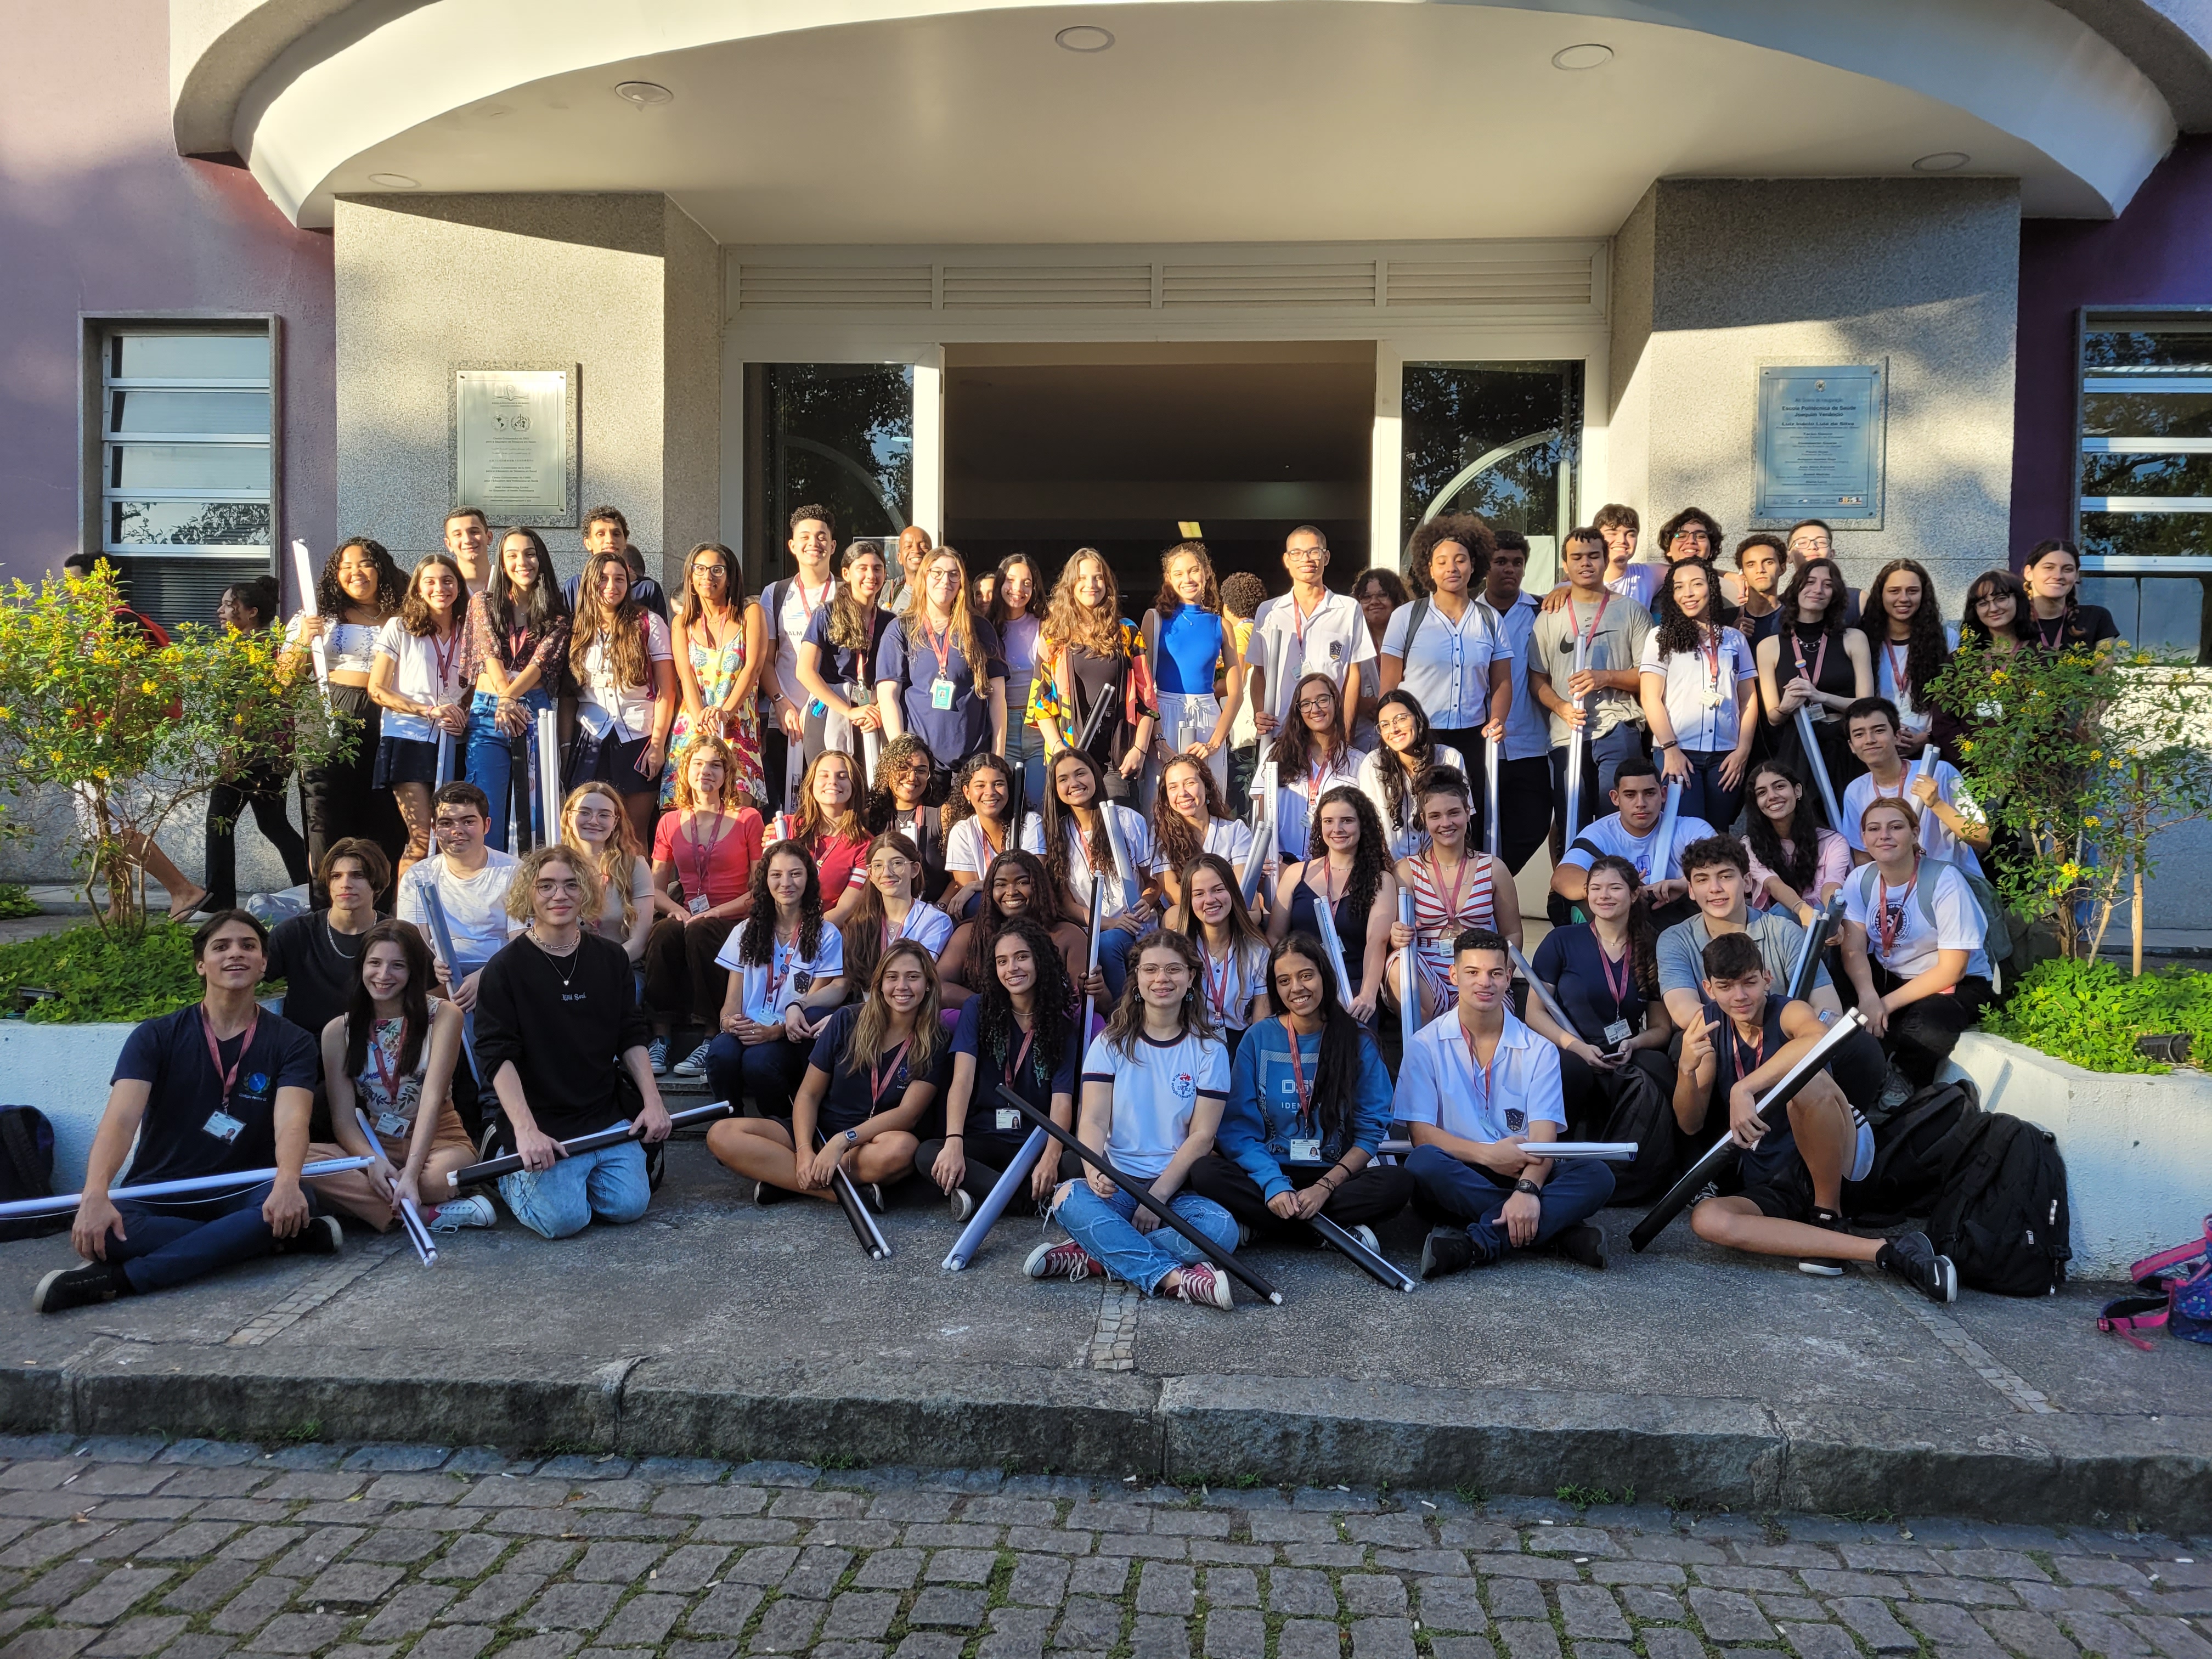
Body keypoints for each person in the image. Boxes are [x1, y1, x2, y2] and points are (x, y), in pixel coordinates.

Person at [33, 911, 331, 1313]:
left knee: (296, 1201)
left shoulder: (293, 1042)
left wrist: (287, 1182)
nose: (235, 955)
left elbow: (292, 1121)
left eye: (248, 946)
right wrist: (95, 1193)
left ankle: (120, 1281)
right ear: (201, 964)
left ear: (264, 964)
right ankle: (272, 1240)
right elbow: (120, 1121)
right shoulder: (155, 1036)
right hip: (160, 1194)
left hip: (245, 1191)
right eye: (220, 947)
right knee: (111, 1232)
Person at [1678, 931, 1954, 1297]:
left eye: (1749, 983)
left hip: (1837, 1160)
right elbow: (1690, 1123)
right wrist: (1686, 1069)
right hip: (1774, 1178)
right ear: (1709, 988)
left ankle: (1829, 1214)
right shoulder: (1708, 1025)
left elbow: (1816, 1040)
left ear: (1767, 979)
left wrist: (1742, 1088)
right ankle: (1887, 1250)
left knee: (1805, 1080)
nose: (1740, 996)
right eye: (1727, 987)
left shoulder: (1788, 1009)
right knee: (1708, 1218)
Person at [1025, 931, 1240, 1310]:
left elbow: (1202, 1137)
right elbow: (1091, 1119)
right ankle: (1176, 1279)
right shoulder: (1109, 1043)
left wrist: (1156, 1198)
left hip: (1174, 1192)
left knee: (1221, 1230)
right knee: (1068, 1197)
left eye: (1174, 969)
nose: (1162, 979)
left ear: (1191, 977)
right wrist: (1093, 1169)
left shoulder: (1210, 1049)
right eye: (1151, 969)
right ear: (1137, 979)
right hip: (1117, 1185)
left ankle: (1097, 1252)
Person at [472, 845, 673, 1239]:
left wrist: (653, 1102)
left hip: (603, 1113)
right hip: (540, 1118)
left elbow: (630, 1034)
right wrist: (526, 1130)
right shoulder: (504, 968)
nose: (559, 896)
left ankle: (580, 1173)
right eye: (546, 886)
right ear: (528, 894)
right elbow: (497, 1056)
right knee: (564, 1220)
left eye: (570, 885)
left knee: (628, 1206)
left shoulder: (611, 959)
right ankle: (505, 1160)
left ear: (585, 892)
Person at [1395, 927, 1612, 1278]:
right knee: (1422, 1163)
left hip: (1524, 1172)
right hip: (1461, 1170)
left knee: (1598, 1174)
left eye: (1496, 973)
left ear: (1509, 978)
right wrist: (1487, 1155)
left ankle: (1477, 1243)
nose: (1486, 982)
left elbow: (1544, 1140)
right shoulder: (1425, 1045)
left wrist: (1527, 1190)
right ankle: (1558, 1234)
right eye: (1473, 972)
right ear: (1453, 976)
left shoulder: (1539, 1049)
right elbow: (1422, 1136)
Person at [1187, 932, 1413, 1249]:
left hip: (1335, 1176)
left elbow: (1370, 1133)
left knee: (1397, 1183)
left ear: (1325, 976)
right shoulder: (1258, 1038)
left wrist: (1324, 1187)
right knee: (1205, 1172)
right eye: (1284, 980)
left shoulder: (1357, 1040)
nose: (1296, 988)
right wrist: (1274, 1185)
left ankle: (1266, 1227)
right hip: (1270, 1170)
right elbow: (1237, 1129)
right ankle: (1327, 1232)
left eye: (1306, 976)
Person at [709, 940, 945, 1209]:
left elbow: (908, 1115)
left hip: (867, 1143)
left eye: (913, 977)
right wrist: (805, 1151)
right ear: (879, 984)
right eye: (892, 977)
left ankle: (786, 1180)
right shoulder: (846, 1020)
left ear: (928, 984)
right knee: (721, 1133)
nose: (901, 987)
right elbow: (808, 1094)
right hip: (819, 1131)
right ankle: (840, 1194)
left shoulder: (935, 1040)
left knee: (903, 1148)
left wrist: (844, 1141)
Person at [309, 920, 489, 1233]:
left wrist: (410, 1174)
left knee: (435, 1180)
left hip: (438, 1138)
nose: (383, 975)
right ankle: (423, 1214)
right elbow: (344, 1121)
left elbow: (433, 1099)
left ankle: (393, 1201)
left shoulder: (444, 1015)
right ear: (361, 966)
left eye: (397, 966)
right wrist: (373, 1163)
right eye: (375, 963)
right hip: (376, 1140)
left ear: (413, 972)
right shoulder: (338, 1031)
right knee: (300, 1161)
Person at [919, 912, 1084, 1218]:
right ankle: (1028, 1202)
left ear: (1041, 961)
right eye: (1002, 961)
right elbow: (962, 1082)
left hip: (1033, 1143)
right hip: (987, 1137)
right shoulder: (978, 1009)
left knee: (1074, 1163)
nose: (1012, 968)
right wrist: (954, 1141)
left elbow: (1062, 1101)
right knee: (929, 1153)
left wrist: (1050, 1157)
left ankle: (985, 1198)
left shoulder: (1062, 1026)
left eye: (1022, 957)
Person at [1841, 798, 1996, 1088]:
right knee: (1836, 988)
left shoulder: (1945, 880)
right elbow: (1853, 948)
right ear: (1864, 838)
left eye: (1895, 827)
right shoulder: (1860, 879)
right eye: (1873, 829)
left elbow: (1952, 971)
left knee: (1929, 1024)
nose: (1884, 836)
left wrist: (1884, 1004)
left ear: (1915, 834)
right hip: (1892, 976)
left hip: (1953, 984)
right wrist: (1868, 997)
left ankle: (1902, 1081)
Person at [1522, 855, 1675, 1133]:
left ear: (1634, 893)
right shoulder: (1562, 940)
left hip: (1624, 1049)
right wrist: (1577, 1047)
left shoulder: (1653, 944)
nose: (1604, 895)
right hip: (1569, 1046)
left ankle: (1648, 1163)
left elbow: (1661, 1028)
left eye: (1615, 888)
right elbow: (1534, 1013)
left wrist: (1634, 1045)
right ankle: (1552, 1154)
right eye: (1595, 888)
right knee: (1571, 1071)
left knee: (1658, 1069)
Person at [286, 537, 407, 887]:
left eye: (365, 563)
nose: (356, 573)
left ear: (381, 568)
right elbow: (283, 677)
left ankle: (379, 912)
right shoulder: (317, 614)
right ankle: (328, 910)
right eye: (346, 566)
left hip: (388, 716)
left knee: (386, 817)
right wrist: (301, 641)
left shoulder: (404, 613)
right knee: (327, 818)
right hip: (330, 711)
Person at [394, 782, 522, 1111]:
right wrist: (433, 964)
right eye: (447, 823)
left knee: (467, 1002)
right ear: (435, 828)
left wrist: (485, 977)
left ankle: (491, 1102)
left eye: (468, 821)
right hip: (441, 972)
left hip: (499, 969)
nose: (457, 831)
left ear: (486, 825)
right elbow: (413, 939)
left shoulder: (513, 872)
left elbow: (521, 943)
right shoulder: (420, 875)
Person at [646, 737, 766, 1078]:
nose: (706, 772)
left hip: (735, 918)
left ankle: (710, 1035)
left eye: (715, 765)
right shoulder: (670, 822)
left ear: (727, 774)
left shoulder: (748, 818)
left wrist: (711, 913)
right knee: (664, 931)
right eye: (698, 764)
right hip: (690, 915)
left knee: (700, 930)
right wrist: (679, 910)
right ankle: (660, 1038)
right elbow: (655, 889)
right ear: (686, 772)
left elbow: (758, 892)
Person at [1380, 516, 1512, 823]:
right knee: (1420, 819)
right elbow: (1389, 686)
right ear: (1429, 568)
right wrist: (1393, 731)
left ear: (1473, 565)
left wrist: (1498, 721)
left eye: (1460, 560)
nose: (1451, 568)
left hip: (1472, 738)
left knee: (1465, 821)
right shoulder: (1406, 617)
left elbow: (1502, 681)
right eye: (1442, 561)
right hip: (1418, 737)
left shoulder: (1491, 619)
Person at [704, 842, 849, 1118]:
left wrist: (776, 1031)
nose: (786, 883)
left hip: (789, 1034)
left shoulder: (826, 933)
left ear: (808, 878)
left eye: (795, 874)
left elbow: (812, 1002)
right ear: (765, 880)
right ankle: (731, 1128)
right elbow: (731, 1003)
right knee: (721, 1053)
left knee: (759, 1062)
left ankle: (781, 1127)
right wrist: (729, 1023)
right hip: (749, 1027)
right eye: (777, 875)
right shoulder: (745, 931)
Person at [1530, 526, 1652, 847]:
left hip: (1618, 728)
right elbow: (1537, 679)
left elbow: (1648, 677)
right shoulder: (1549, 616)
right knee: (1573, 825)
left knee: (1618, 821)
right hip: (1566, 734)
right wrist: (1561, 708)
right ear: (1565, 565)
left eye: (1594, 556)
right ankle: (1575, 894)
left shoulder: (1631, 611)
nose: (1586, 563)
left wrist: (1606, 677)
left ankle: (1622, 890)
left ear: (1605, 559)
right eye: (1577, 557)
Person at [1654, 834, 1846, 1029]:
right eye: (1702, 880)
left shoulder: (1784, 932)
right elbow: (1685, 1012)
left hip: (1790, 1039)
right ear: (1691, 890)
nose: (1715, 888)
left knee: (1862, 1047)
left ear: (1747, 882)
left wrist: (1795, 1035)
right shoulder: (1674, 940)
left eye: (1726, 876)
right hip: (1717, 1042)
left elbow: (1828, 1006)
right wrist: (1749, 1036)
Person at [204, 576, 312, 912]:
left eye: (228, 605)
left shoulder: (257, 646)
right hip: (273, 754)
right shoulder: (267, 643)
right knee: (273, 823)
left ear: (251, 612)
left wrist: (232, 751)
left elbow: (247, 705)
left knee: (219, 821)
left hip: (252, 753)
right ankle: (311, 889)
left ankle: (217, 902)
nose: (220, 611)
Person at [461, 527, 570, 852]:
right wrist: (504, 698)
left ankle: (536, 888)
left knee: (537, 809)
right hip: (487, 709)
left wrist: (509, 697)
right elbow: (490, 652)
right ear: (502, 562)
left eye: (530, 553)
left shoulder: (558, 614)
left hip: (534, 708)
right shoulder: (483, 603)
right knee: (485, 804)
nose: (522, 562)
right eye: (512, 555)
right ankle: (487, 888)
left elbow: (540, 663)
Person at [1386, 768, 1522, 1021]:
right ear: (1425, 820)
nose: (1446, 823)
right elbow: (1392, 937)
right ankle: (1427, 1053)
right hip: (1428, 976)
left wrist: (1500, 973)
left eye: (1454, 813)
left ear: (1468, 813)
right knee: (1398, 965)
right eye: (1435, 816)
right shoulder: (1406, 870)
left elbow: (1513, 933)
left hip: (1478, 970)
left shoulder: (1494, 868)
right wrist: (1396, 935)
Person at [367, 553, 471, 878]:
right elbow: (377, 689)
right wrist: (427, 710)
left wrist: (463, 712)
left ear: (458, 586)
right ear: (418, 589)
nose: (440, 588)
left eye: (448, 580)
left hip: (453, 738)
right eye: (431, 581)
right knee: (424, 836)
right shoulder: (399, 627)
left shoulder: (469, 629)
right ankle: (405, 923)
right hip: (409, 736)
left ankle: (443, 917)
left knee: (451, 837)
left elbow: (476, 682)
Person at [566, 549, 676, 849]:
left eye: (620, 579)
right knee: (586, 833)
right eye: (603, 579)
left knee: (633, 835)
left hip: (638, 735)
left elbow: (668, 689)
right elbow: (568, 695)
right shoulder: (576, 627)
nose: (611, 587)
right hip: (592, 736)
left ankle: (636, 896)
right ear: (589, 582)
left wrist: (657, 745)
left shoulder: (648, 622)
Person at [1640, 558, 1757, 830]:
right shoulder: (1660, 637)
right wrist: (1670, 749)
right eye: (1679, 587)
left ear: (1711, 588)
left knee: (1718, 832)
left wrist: (1743, 751)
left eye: (1696, 584)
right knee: (1684, 832)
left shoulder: (1734, 638)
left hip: (1726, 756)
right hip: (1679, 753)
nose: (1688, 593)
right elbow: (1650, 698)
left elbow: (1748, 699)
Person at [1267, 785, 1396, 1026]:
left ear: (1362, 825)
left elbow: (1376, 942)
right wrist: (1292, 980)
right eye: (1329, 821)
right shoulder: (1296, 874)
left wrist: (1368, 995)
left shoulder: (1381, 880)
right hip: (1302, 984)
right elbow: (1275, 936)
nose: (1337, 829)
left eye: (1347, 821)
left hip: (1352, 986)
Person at [1031, 547, 1154, 795]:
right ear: (1071, 585)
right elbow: (1041, 702)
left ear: (1107, 584)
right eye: (1083, 578)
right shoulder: (1054, 636)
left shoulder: (1127, 632)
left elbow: (1148, 699)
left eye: (1098, 577)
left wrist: (1139, 750)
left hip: (1117, 756)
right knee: (1071, 832)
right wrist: (1058, 751)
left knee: (1119, 828)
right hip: (1068, 753)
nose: (1092, 584)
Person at [878, 546, 1008, 777]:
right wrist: (903, 756)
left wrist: (997, 757)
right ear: (924, 578)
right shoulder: (900, 629)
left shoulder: (980, 629)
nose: (945, 580)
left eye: (953, 574)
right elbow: (888, 696)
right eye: (936, 573)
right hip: (920, 766)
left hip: (974, 764)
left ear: (961, 583)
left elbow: (997, 697)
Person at [1043, 747, 1156, 1002]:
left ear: (1095, 775)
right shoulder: (1056, 833)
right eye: (1063, 779)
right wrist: (1108, 923)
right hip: (1091, 930)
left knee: (1109, 943)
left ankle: (1123, 1017)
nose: (1074, 783)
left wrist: (1146, 903)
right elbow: (1065, 903)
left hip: (1135, 927)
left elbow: (1153, 882)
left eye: (1080, 773)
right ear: (1055, 788)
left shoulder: (1128, 820)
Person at [663, 540, 768, 812]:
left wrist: (724, 712)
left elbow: (753, 667)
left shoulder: (750, 613)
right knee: (688, 811)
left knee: (736, 808)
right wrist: (700, 717)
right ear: (690, 576)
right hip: (695, 722)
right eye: (700, 569)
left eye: (717, 570)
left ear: (731, 577)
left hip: (736, 720)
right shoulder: (681, 622)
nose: (707, 577)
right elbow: (685, 675)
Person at [1756, 556, 1871, 802]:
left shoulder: (1853, 638)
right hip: (1797, 745)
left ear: (1835, 594)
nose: (1817, 590)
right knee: (1802, 821)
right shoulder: (1769, 646)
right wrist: (1785, 707)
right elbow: (1773, 717)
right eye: (1809, 582)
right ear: (1796, 588)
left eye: (1827, 585)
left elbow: (1867, 705)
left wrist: (1820, 697)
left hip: (1844, 744)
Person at [1245, 525, 1373, 744]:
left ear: (1326, 557)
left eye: (1314, 552)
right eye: (1297, 553)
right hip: (1281, 730)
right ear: (1287, 560)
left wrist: (1346, 732)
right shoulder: (1269, 611)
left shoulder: (1348, 609)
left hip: (1330, 732)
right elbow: (1259, 672)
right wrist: (1261, 714)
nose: (1306, 559)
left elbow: (1353, 676)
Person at [263, 838, 390, 1060]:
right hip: (305, 1052)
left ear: (377, 883)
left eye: (358, 875)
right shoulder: (297, 933)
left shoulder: (396, 937)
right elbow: (248, 976)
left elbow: (430, 998)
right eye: (336, 876)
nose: (345, 884)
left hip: (376, 1052)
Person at [1139, 541, 1244, 805]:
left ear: (1206, 572)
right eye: (1179, 574)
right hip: (1163, 713)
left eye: (1194, 570)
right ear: (1168, 579)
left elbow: (1236, 694)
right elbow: (1145, 684)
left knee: (1209, 801)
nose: (1188, 579)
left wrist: (1215, 743)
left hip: (1208, 718)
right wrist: (1159, 738)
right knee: (1161, 802)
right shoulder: (1155, 619)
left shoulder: (1221, 624)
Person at [1551, 755, 1719, 918]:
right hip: (1623, 917)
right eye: (1630, 795)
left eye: (1649, 793)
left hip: (1677, 916)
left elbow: (1724, 865)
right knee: (1582, 904)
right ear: (1615, 798)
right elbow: (1562, 877)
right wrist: (1617, 887)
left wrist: (1686, 884)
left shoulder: (1691, 828)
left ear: (1663, 794)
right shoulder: (1599, 833)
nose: (1641, 803)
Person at [1840, 698, 1990, 876]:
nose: (1870, 740)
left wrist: (1937, 804)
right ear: (1851, 746)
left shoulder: (1939, 771)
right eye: (1859, 734)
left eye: (1879, 731)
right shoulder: (1855, 791)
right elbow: (1863, 859)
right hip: (1902, 895)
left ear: (1897, 736)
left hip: (1954, 885)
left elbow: (1983, 838)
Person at [941, 849, 1094, 1009]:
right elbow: (940, 988)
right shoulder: (971, 934)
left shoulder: (1067, 934)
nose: (1012, 892)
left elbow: (1096, 1002)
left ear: (1039, 886)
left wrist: (1094, 990)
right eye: (1001, 885)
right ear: (989, 891)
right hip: (986, 1025)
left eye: (1022, 882)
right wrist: (994, 1008)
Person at [761, 505, 841, 812]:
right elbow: (766, 661)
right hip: (787, 720)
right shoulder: (777, 593)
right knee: (788, 808)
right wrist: (781, 702)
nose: (814, 543)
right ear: (792, 546)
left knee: (832, 804)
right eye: (805, 536)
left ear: (833, 546)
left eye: (822, 537)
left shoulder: (845, 593)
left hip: (832, 719)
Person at [1482, 530, 1553, 870]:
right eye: (1500, 562)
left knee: (1533, 825)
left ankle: (1493, 887)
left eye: (1517, 562)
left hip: (1530, 743)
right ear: (1486, 566)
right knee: (1474, 828)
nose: (1509, 569)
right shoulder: (1469, 613)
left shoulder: (1544, 610)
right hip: (1480, 741)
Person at [795, 541, 891, 774]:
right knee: (830, 784)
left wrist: (876, 705)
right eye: (863, 568)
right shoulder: (826, 614)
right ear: (846, 574)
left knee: (871, 790)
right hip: (831, 712)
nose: (871, 575)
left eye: (877, 568)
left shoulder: (891, 622)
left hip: (874, 712)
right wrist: (848, 711)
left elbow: (897, 675)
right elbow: (804, 671)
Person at [1165, 852, 1273, 1055]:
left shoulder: (1257, 950)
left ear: (1232, 892)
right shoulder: (1173, 949)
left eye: (1218, 890)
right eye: (1199, 894)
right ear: (1189, 900)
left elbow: (1261, 1026)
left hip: (1239, 1048)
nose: (1210, 900)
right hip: (1186, 1046)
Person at [840, 831, 955, 995]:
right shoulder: (859, 923)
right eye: (878, 866)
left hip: (906, 1009)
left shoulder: (935, 921)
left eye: (897, 863)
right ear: (871, 875)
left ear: (915, 869)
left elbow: (914, 979)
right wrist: (800, 1004)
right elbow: (843, 985)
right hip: (864, 1010)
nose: (887, 872)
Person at [1356, 691, 1466, 862]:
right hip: (1391, 868)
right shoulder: (1373, 764)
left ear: (1417, 718)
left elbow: (1463, 820)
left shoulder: (1449, 758)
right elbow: (1371, 826)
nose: (1394, 729)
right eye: (1384, 725)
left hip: (1442, 865)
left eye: (1401, 719)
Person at [1267, 672, 1362, 862]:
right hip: (1283, 868)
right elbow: (1263, 814)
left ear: (1336, 702)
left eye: (1323, 700)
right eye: (1306, 703)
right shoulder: (1276, 755)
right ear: (1298, 710)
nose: (1315, 709)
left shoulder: (1359, 763)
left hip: (1336, 870)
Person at [1860, 559, 1952, 754]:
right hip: (1875, 749)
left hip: (1931, 749)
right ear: (1880, 595)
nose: (1904, 598)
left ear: (1924, 595)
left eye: (1912, 591)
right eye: (1894, 591)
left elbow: (1954, 699)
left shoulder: (1947, 638)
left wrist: (1927, 737)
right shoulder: (1863, 640)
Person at [942, 752, 1045, 920]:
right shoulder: (962, 832)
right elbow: (966, 890)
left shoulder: (1030, 822)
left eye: (998, 784)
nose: (990, 792)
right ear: (967, 793)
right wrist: (973, 888)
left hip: (1027, 911)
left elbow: (1034, 879)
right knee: (974, 903)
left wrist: (976, 885)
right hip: (985, 915)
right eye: (980, 786)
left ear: (1009, 789)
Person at [1151, 753, 1259, 912]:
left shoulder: (1235, 831)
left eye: (1190, 783)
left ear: (1206, 786)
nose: (1183, 793)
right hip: (1187, 914)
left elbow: (1243, 889)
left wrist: (1218, 911)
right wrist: (1206, 911)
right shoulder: (1161, 835)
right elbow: (1171, 892)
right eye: (1173, 787)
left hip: (1231, 913)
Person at [1743, 761, 1850, 920]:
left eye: (1779, 787)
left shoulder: (1833, 842)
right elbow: (1773, 884)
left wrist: (1830, 920)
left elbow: (1832, 885)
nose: (1772, 796)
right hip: (1777, 928)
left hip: (1821, 920)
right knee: (1784, 911)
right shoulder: (1749, 846)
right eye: (1762, 793)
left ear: (1797, 791)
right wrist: (1803, 911)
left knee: (1821, 909)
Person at [562, 782, 653, 965]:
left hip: (619, 967)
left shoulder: (635, 867)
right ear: (569, 818)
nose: (594, 821)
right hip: (564, 970)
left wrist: (601, 968)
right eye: (585, 812)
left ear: (615, 822)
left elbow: (638, 943)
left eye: (604, 815)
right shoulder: (554, 867)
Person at [991, 553, 1048, 817]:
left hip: (1039, 726)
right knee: (1008, 810)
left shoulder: (1044, 626)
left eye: (1027, 583)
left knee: (1039, 807)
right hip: (1003, 727)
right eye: (1011, 580)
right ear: (1000, 582)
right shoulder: (986, 627)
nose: (1018, 589)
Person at [868, 734, 953, 907]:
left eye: (921, 770)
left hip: (934, 914)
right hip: (883, 916)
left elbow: (959, 878)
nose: (912, 777)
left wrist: (940, 908)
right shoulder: (869, 818)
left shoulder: (943, 815)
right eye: (903, 767)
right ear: (887, 770)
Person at [792, 748, 874, 923]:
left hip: (825, 935)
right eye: (824, 775)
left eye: (842, 776)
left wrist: (804, 937)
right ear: (811, 784)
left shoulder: (865, 844)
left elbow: (844, 909)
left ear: (854, 785)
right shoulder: (786, 827)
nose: (833, 782)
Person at [558, 506, 670, 623]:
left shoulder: (648, 589)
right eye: (601, 534)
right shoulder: (575, 586)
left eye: (616, 534)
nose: (610, 540)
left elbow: (659, 634)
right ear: (588, 543)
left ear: (625, 541)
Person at [1219, 571, 1268, 807]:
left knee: (1240, 797)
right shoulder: (1260, 630)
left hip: (1241, 733)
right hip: (1258, 726)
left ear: (1227, 605)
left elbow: (1235, 678)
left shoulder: (1238, 633)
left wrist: (1208, 688)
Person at [2021, 538, 2119, 655]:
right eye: (2049, 568)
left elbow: (2103, 672)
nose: (2058, 576)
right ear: (2029, 573)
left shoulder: (2097, 618)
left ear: (2076, 576)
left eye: (2068, 569)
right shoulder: (2012, 621)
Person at [1350, 566, 1411, 752]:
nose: (1374, 602)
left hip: (1402, 729)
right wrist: (1360, 703)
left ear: (1396, 599)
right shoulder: (1352, 637)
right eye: (1366, 597)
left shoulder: (1412, 635)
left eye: (1382, 595)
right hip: (1360, 734)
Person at [1731, 534, 1787, 647]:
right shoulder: (1727, 619)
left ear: (1782, 569)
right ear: (1743, 574)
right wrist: (1731, 635)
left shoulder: (1794, 619)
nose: (1760, 570)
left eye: (1768, 562)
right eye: (1751, 565)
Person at [881, 523, 934, 614]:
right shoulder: (890, 591)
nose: (916, 550)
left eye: (923, 546)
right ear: (900, 558)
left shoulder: (942, 592)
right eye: (908, 547)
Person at [442, 506, 493, 597]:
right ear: (449, 544)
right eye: (458, 534)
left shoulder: (508, 580)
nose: (468, 540)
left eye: (474, 532)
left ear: (489, 537)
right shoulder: (444, 587)